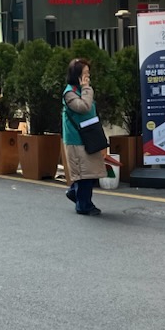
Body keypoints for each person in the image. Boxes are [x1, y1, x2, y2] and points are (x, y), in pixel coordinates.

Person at [62, 57, 108, 216]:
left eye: (88, 73)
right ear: (77, 75)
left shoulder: (81, 90)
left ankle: (75, 193)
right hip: (76, 139)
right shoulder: (70, 93)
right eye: (85, 73)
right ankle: (83, 205)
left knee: (89, 172)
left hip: (88, 136)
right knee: (84, 175)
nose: (88, 77)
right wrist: (87, 88)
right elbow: (84, 107)